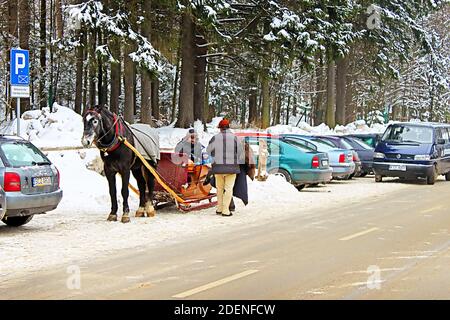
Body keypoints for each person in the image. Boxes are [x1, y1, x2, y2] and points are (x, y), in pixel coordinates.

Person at [207, 119, 244, 217]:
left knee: (219, 188)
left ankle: (219, 208)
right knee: (228, 189)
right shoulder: (235, 138)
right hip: (231, 169)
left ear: (220, 128)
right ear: (228, 127)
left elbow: (209, 151)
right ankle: (225, 210)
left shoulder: (214, 138)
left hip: (217, 168)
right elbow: (241, 153)